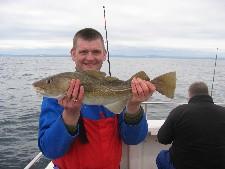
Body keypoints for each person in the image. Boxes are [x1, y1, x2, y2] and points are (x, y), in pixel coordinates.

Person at [38, 28, 156, 169]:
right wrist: (70, 115)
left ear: (104, 55)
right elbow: (50, 150)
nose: (89, 58)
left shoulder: (115, 89)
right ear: (73, 54)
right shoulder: (54, 99)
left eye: (96, 52)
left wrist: (133, 107)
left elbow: (133, 139)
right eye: (83, 52)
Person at [156, 81, 225, 169]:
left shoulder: (179, 111)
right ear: (207, 94)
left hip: (182, 165)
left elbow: (162, 139)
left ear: (189, 94)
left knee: (161, 156)